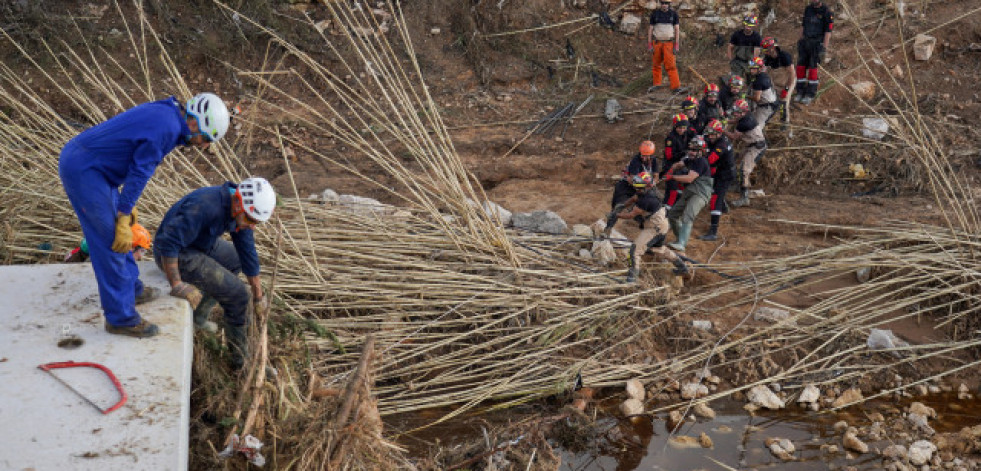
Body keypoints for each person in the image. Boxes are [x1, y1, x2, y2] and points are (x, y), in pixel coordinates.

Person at [58, 93, 231, 338]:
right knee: (111, 241)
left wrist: (126, 209)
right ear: (195, 123)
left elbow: (133, 155)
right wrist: (123, 213)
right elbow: (140, 172)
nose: (203, 146)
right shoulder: (167, 129)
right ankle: (120, 318)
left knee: (122, 234)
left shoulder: (169, 115)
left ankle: (132, 289)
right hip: (85, 169)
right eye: (205, 138)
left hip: (97, 168)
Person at [154, 178, 276, 369]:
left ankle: (199, 318)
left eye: (256, 222)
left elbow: (247, 254)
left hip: (201, 244)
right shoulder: (204, 206)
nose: (252, 226)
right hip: (179, 254)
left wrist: (259, 297)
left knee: (235, 262)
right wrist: (177, 284)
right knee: (238, 296)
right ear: (237, 202)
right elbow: (168, 244)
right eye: (251, 220)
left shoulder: (240, 212)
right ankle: (241, 363)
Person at [605, 172, 688, 283]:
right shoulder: (649, 190)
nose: (637, 190)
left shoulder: (647, 200)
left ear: (645, 187)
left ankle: (632, 277)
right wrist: (623, 205)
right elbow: (634, 198)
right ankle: (682, 267)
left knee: (635, 250)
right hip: (662, 224)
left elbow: (631, 215)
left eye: (639, 189)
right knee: (659, 249)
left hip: (654, 228)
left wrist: (615, 215)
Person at [664, 136, 713, 252]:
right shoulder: (690, 159)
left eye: (695, 150)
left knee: (688, 215)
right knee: (673, 215)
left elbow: (689, 178)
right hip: (691, 191)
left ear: (701, 151)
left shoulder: (701, 161)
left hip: (701, 193)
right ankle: (679, 239)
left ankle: (682, 243)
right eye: (690, 149)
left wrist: (672, 177)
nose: (691, 152)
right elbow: (678, 164)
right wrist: (670, 170)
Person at [722, 99, 766, 207]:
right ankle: (739, 185)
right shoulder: (746, 116)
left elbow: (733, 137)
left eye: (737, 111)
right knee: (737, 161)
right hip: (752, 144)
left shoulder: (744, 122)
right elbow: (736, 120)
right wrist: (726, 121)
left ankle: (744, 197)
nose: (735, 113)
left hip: (757, 147)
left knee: (744, 169)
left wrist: (721, 130)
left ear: (743, 112)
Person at [699, 120, 736, 241]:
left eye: (712, 134)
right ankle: (723, 207)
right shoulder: (714, 138)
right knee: (716, 193)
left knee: (715, 198)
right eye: (708, 133)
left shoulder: (722, 145)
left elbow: (710, 160)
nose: (709, 136)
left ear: (719, 134)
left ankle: (713, 231)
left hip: (725, 174)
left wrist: (701, 155)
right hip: (719, 172)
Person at [795, 0, 834, 104]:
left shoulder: (827, 12)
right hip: (805, 42)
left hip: (817, 44)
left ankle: (810, 94)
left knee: (813, 69)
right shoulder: (808, 9)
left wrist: (824, 48)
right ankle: (800, 91)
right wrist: (800, 40)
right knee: (800, 67)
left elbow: (828, 32)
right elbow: (803, 25)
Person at [610, 140, 659, 212]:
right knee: (617, 207)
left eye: (646, 156)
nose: (643, 158)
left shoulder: (654, 161)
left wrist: (653, 183)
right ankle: (612, 217)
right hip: (626, 185)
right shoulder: (635, 160)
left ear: (651, 155)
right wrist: (644, 187)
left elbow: (656, 175)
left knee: (649, 202)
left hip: (643, 184)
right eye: (642, 155)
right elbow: (632, 179)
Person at [647, 0, 681, 91]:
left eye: (666, 3)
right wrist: (650, 44)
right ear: (660, 4)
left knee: (671, 65)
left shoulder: (673, 14)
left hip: (669, 43)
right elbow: (650, 30)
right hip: (657, 43)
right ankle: (657, 84)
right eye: (662, 3)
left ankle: (676, 87)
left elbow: (677, 30)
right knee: (656, 64)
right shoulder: (655, 14)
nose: (664, 5)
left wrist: (676, 45)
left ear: (669, 4)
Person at [661, 113, 693, 209]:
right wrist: (683, 153)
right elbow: (669, 155)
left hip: (681, 166)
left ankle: (673, 208)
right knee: (672, 190)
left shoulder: (686, 134)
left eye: (684, 127)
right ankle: (666, 211)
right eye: (680, 128)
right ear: (675, 126)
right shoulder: (671, 138)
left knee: (681, 189)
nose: (682, 130)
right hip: (670, 166)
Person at [746, 57, 779, 126]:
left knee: (756, 127)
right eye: (751, 68)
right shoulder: (764, 76)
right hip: (771, 104)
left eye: (754, 69)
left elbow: (757, 98)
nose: (751, 71)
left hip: (766, 107)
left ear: (760, 68)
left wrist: (746, 96)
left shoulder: (759, 80)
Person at [728, 14, 762, 78]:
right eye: (746, 25)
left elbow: (756, 52)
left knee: (752, 80)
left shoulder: (757, 37)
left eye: (750, 26)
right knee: (736, 80)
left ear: (753, 26)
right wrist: (731, 60)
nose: (747, 27)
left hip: (750, 62)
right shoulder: (737, 34)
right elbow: (730, 47)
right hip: (738, 61)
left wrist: (754, 64)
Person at [762, 36, 795, 102]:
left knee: (783, 103)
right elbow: (763, 71)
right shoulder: (767, 58)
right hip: (776, 83)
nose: (766, 52)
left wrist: (786, 89)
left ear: (773, 47)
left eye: (767, 49)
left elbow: (792, 74)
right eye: (765, 50)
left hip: (788, 82)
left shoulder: (784, 56)